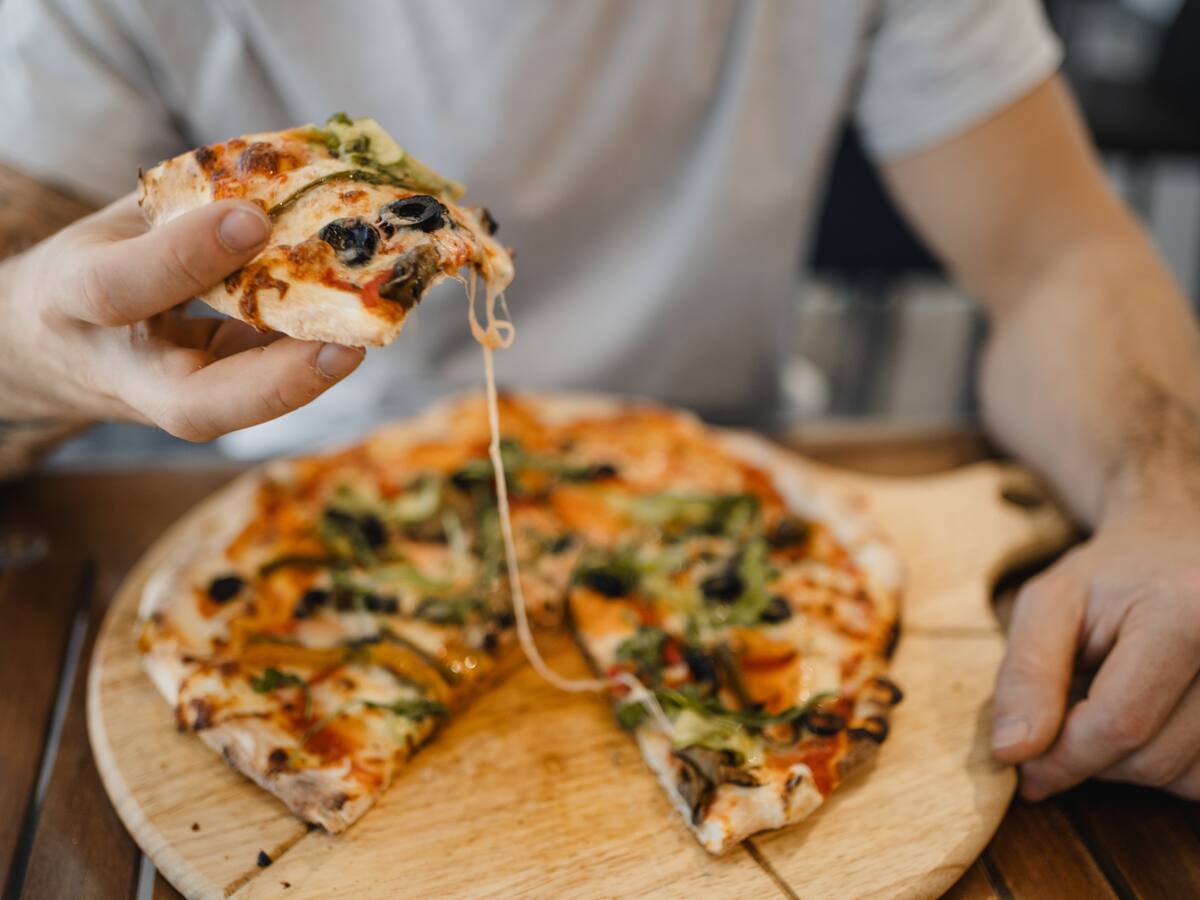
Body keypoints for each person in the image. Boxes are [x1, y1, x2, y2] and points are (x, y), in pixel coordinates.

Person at [2, 0, 1199, 805]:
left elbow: (1056, 256)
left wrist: (1174, 497)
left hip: (718, 493)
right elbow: (22, 273)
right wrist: (18, 347)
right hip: (270, 517)